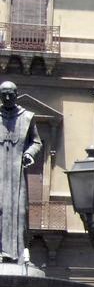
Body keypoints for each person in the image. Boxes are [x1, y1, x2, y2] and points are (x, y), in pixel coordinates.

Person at [0, 81, 42, 264]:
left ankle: (19, 254)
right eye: (4, 95)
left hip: (17, 174)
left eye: (10, 94)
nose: (7, 98)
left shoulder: (27, 117)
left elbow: (36, 142)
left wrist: (29, 153)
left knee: (20, 211)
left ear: (16, 94)